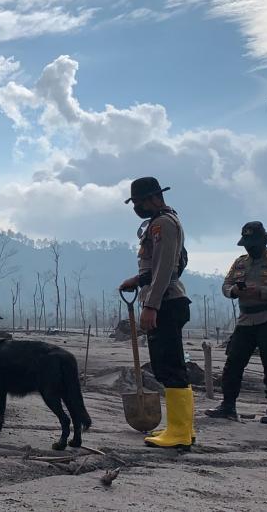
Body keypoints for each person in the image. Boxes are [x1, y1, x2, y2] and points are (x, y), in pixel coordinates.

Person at [119, 177, 193, 448]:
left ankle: (179, 433)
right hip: (166, 298)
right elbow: (160, 266)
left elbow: (165, 269)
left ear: (153, 198)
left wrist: (151, 306)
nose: (136, 207)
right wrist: (138, 281)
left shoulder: (162, 223)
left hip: (166, 302)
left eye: (138, 202)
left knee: (170, 367)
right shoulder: (163, 221)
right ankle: (182, 428)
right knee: (169, 366)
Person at [206, 222, 267, 425]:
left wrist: (262, 292)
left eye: (254, 244)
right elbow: (226, 285)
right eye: (247, 244)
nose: (250, 248)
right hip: (246, 320)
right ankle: (228, 406)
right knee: (233, 363)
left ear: (263, 242)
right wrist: (234, 292)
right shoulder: (240, 263)